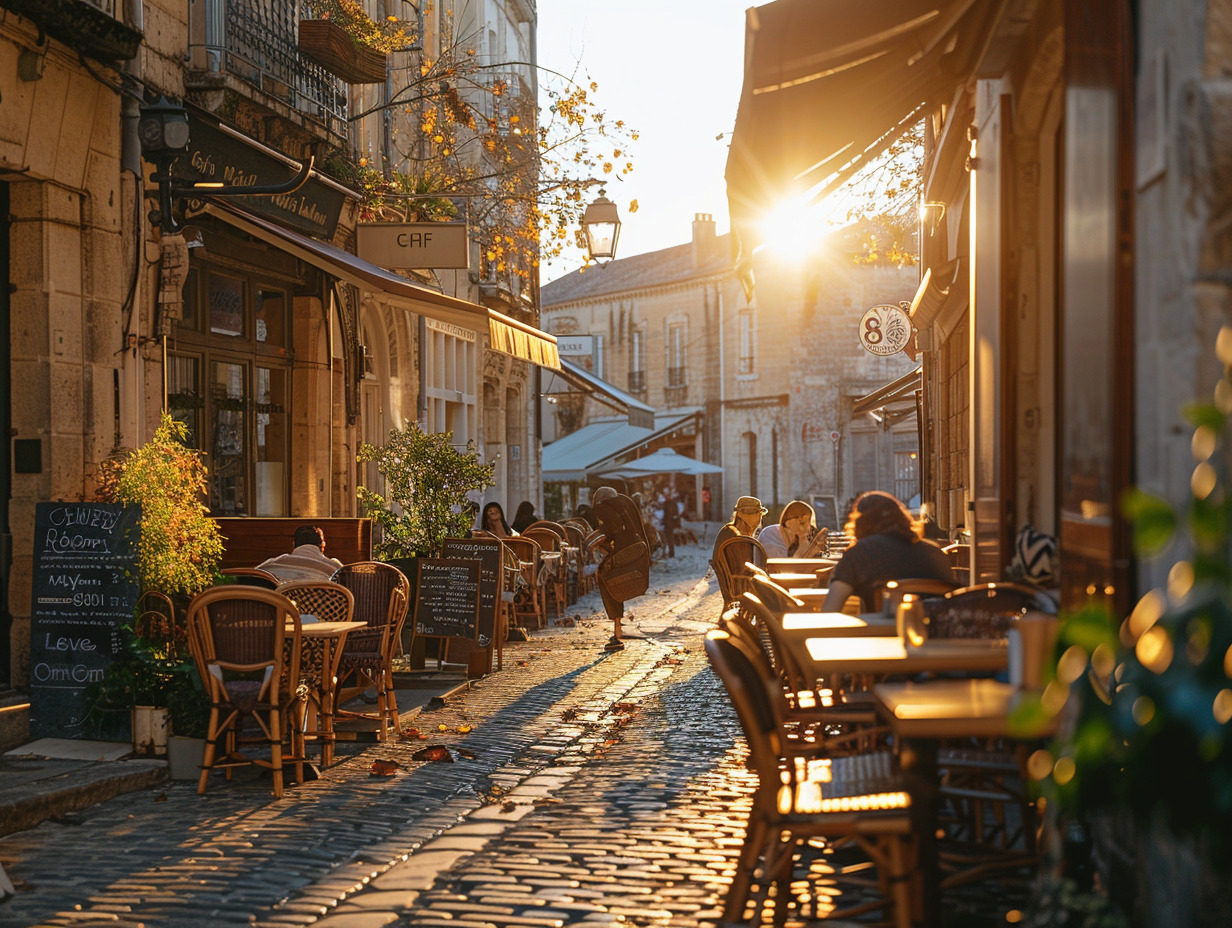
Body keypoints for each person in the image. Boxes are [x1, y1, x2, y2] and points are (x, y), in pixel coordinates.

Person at [821, 491, 952, 612]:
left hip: (879, 635)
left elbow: (831, 609)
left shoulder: (860, 554)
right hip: (932, 634)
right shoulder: (936, 554)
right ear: (903, 518)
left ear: (859, 524)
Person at [591, 485, 651, 651]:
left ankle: (617, 630)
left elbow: (615, 528)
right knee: (612, 586)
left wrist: (602, 533)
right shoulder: (622, 506)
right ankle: (617, 628)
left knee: (608, 583)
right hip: (630, 550)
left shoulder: (607, 508)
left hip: (624, 553)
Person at [257, 524, 343, 582]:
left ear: (294, 543)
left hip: (282, 607)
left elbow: (251, 575)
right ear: (323, 545)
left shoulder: (272, 564)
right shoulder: (335, 569)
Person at [757, 500, 828, 558]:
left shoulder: (796, 538)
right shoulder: (770, 535)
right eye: (806, 521)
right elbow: (786, 568)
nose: (809, 527)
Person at [712, 496, 766, 563]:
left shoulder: (729, 530)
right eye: (758, 514)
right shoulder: (735, 535)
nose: (759, 518)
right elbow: (743, 567)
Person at [658, 487, 681, 558]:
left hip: (669, 523)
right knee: (666, 539)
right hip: (667, 523)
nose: (665, 497)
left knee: (668, 539)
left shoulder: (670, 504)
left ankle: (670, 553)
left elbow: (672, 515)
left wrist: (671, 522)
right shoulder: (669, 503)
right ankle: (667, 553)